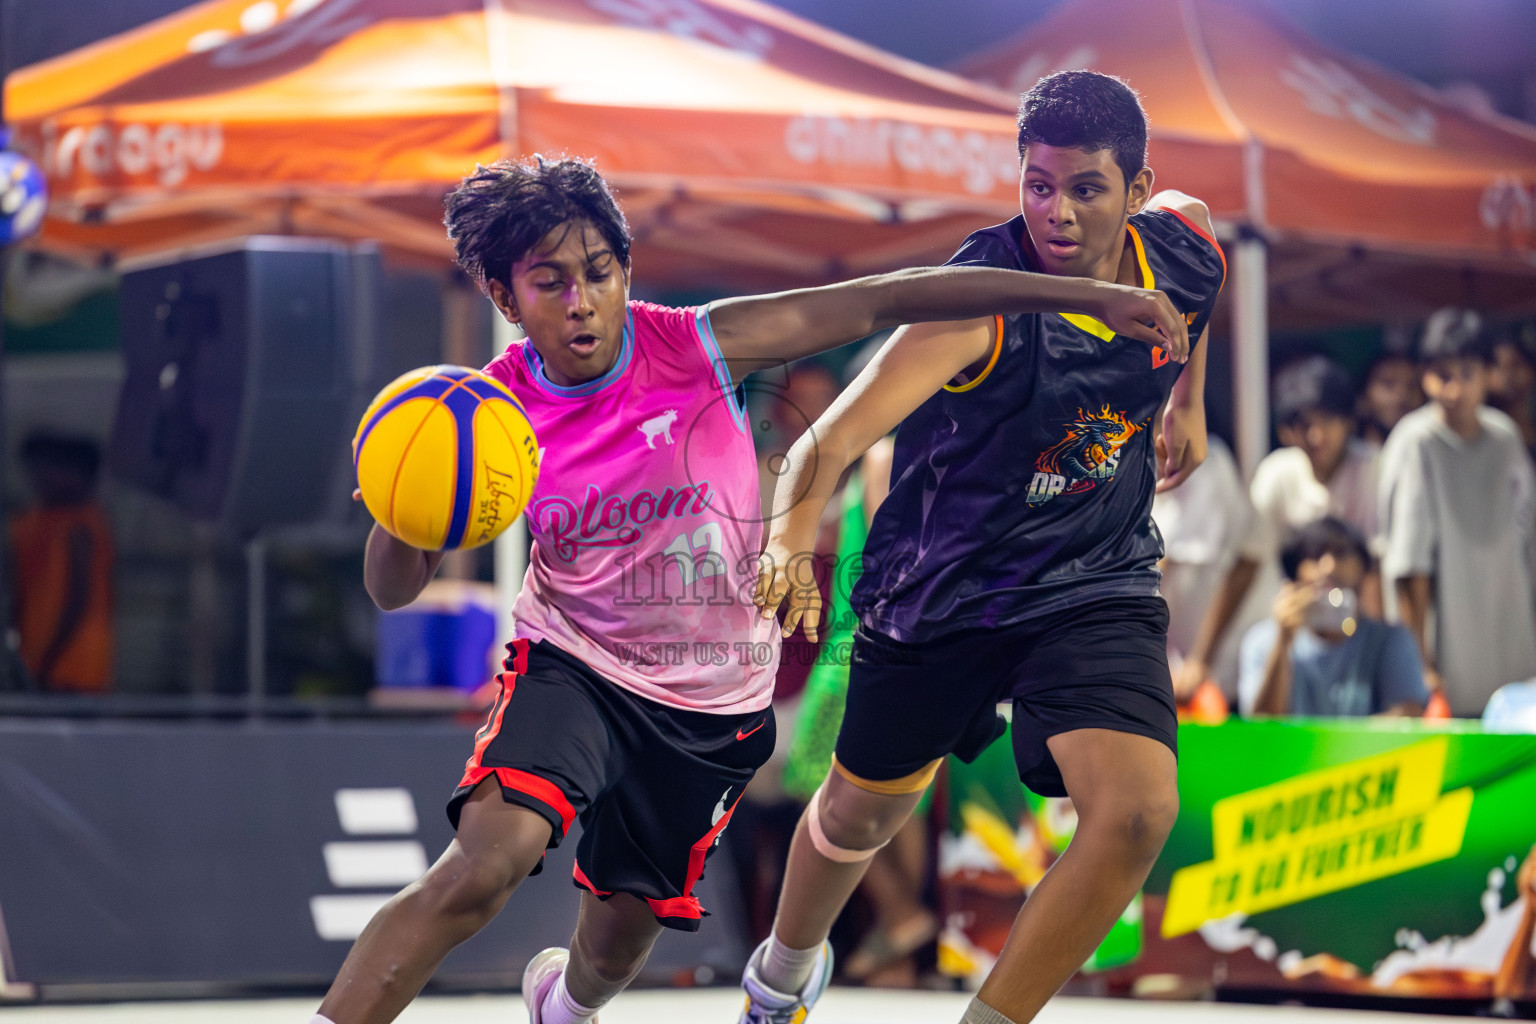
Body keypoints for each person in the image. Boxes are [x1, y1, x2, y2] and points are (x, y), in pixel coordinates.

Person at [309, 154, 1189, 1024]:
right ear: (506, 299)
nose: (581, 301)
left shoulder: (696, 342)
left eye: (599, 273)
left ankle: (564, 1004)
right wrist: (404, 509)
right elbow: (392, 589)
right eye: (549, 283)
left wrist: (1087, 296)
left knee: (613, 947)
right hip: (572, 665)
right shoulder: (485, 420)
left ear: (625, 271)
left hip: (710, 696)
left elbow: (891, 298)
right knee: (485, 865)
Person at [745, 71, 1222, 1024]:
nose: (1056, 210)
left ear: (1135, 191)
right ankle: (781, 976)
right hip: (943, 591)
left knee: (1136, 812)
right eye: (1037, 184)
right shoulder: (975, 302)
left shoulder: (1180, 249)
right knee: (861, 812)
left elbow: (1204, 244)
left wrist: (1188, 398)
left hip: (1096, 578)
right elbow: (825, 443)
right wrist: (787, 546)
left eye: (1085, 187)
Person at [1174, 355, 1380, 701]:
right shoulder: (1278, 474)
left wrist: (1378, 653)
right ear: (1286, 431)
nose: (1316, 436)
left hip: (1362, 640)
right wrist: (1199, 660)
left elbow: (1377, 572)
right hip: (1298, 641)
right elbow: (1244, 567)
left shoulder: (1375, 468)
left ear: (1348, 420)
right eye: (1303, 425)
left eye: (1327, 420)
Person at [1379, 308, 1536, 717]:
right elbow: (1407, 567)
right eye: (1443, 375)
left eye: (1467, 373)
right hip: (1447, 664)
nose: (1455, 389)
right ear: (1425, 377)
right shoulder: (1415, 442)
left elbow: (1530, 542)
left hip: (1514, 642)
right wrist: (1421, 665)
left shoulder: (1505, 439)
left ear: (1488, 373)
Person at [1237, 517, 1427, 717]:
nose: (1329, 566)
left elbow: (1408, 717)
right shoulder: (1262, 640)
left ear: (1364, 568)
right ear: (1294, 573)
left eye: (1341, 553)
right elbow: (1262, 727)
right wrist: (1283, 641)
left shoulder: (1391, 640)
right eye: (1314, 555)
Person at [9, 432, 114, 692]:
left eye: (56, 467)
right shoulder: (34, 522)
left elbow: (77, 600)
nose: (44, 476)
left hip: (72, 669)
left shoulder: (82, 525)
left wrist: (46, 661)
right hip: (35, 663)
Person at [1356, 349, 1423, 447]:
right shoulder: (1345, 457)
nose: (1402, 394)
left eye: (1412, 385)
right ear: (1364, 396)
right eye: (1388, 383)